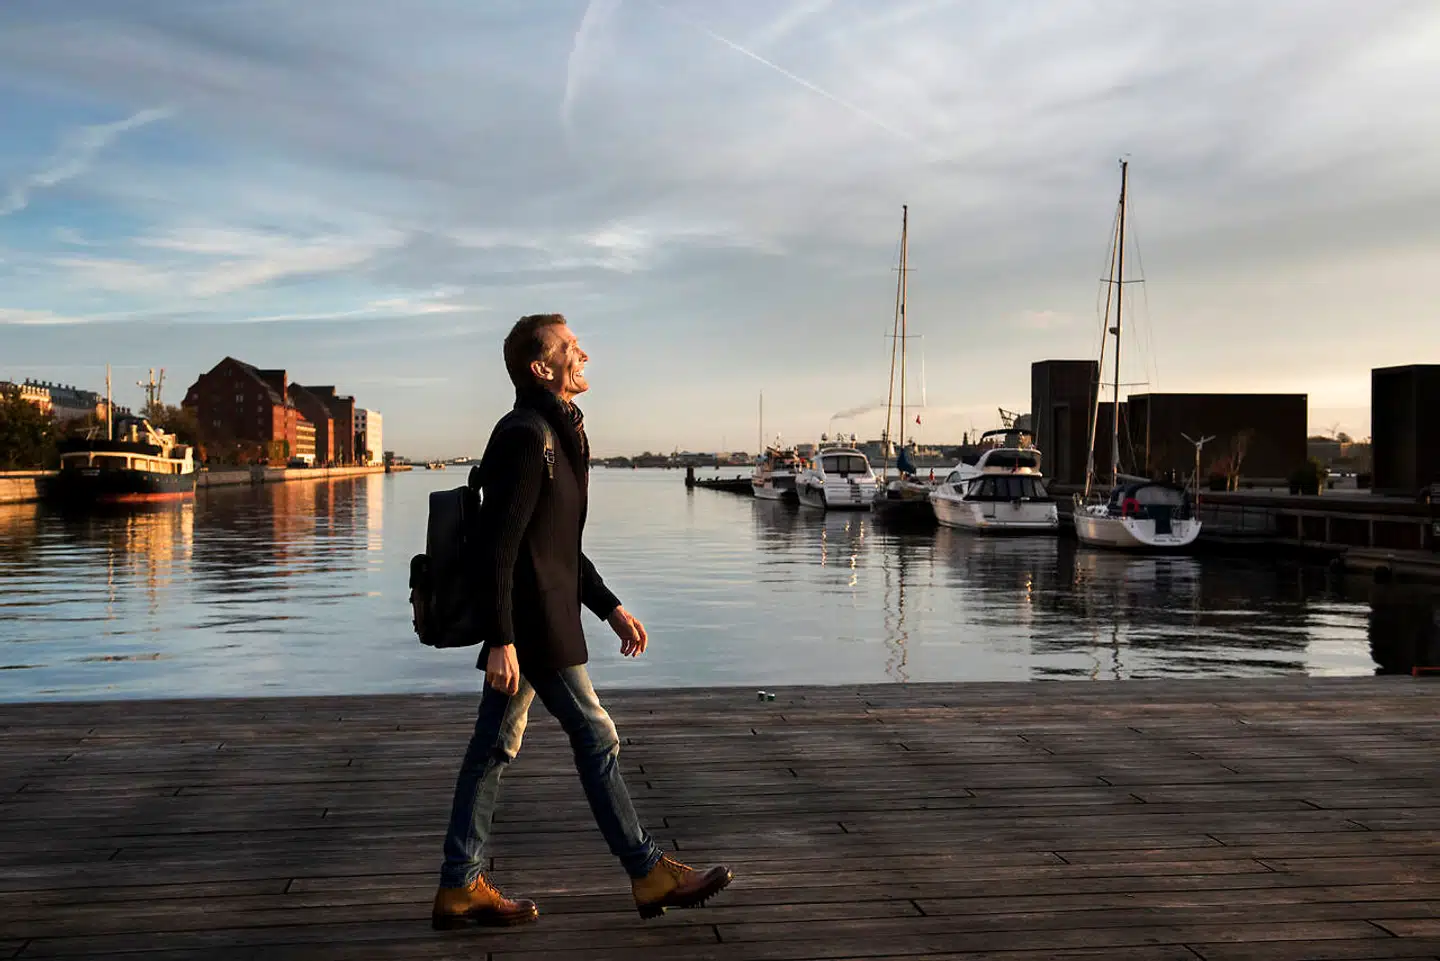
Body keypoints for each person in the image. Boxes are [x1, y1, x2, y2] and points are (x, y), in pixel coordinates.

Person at [432, 314, 732, 929]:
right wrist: (502, 640)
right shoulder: (525, 435)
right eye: (571, 347)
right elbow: (501, 547)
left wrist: (610, 606)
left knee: (493, 747)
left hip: (545, 615)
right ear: (543, 368)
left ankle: (459, 886)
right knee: (595, 736)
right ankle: (648, 872)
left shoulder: (556, 432)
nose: (584, 354)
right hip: (534, 626)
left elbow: (557, 544)